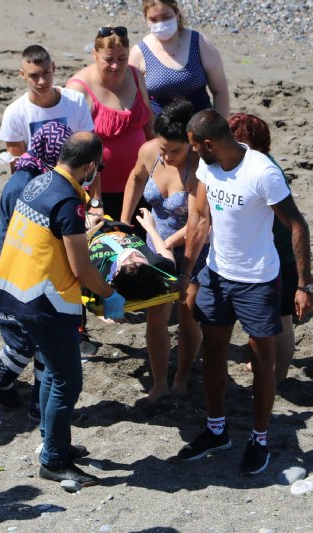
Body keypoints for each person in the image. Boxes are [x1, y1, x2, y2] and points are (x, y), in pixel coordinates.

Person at [176, 110, 313, 476]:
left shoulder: (262, 171)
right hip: (219, 276)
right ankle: (217, 429)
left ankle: (260, 437)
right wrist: (187, 273)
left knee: (261, 362)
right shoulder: (208, 167)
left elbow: (297, 225)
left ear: (208, 144)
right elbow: (201, 220)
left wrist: (304, 284)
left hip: (258, 281)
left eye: (193, 146)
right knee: (213, 350)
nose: (191, 153)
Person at [0, 132, 126, 486]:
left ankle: (54, 440)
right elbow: (80, 268)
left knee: (50, 371)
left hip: (16, 292)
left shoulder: (38, 182)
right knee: (67, 380)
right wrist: (109, 294)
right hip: (44, 302)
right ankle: (53, 459)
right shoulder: (68, 201)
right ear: (90, 166)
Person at [0, 115, 93, 418]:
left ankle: (35, 404)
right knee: (25, 342)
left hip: (24, 275)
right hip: (19, 277)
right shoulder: (27, 185)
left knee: (39, 343)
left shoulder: (32, 178)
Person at [120, 99, 207, 401]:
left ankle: (182, 376)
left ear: (190, 144)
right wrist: (123, 221)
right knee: (156, 315)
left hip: (192, 248)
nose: (168, 157)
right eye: (163, 149)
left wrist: (164, 244)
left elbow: (198, 221)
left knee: (187, 315)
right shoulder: (148, 152)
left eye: (176, 151)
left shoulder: (199, 167)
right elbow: (135, 178)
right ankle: (160, 383)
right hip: (157, 244)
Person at [228, 113, 298, 384]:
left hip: (278, 256)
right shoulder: (247, 165)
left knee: (281, 320)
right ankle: (264, 366)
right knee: (263, 319)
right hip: (261, 254)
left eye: (234, 138)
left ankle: (277, 379)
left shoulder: (266, 171)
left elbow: (291, 225)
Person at [66, 26, 153, 222]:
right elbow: (71, 149)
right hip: (99, 194)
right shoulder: (78, 89)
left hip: (141, 185)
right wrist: (94, 201)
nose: (115, 65)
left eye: (122, 58)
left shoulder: (136, 76)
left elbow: (150, 126)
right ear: (95, 55)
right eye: (108, 59)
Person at [0, 45, 95, 173]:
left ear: (53, 68)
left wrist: (94, 194)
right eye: (34, 76)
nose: (42, 81)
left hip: (73, 185)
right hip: (35, 186)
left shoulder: (76, 101)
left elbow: (90, 155)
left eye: (46, 73)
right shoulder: (14, 113)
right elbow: (18, 169)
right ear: (22, 74)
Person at [129, 0, 229, 117]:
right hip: (160, 130)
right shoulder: (139, 53)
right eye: (154, 19)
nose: (160, 24)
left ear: (176, 14)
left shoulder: (200, 43)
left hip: (201, 128)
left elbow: (220, 91)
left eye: (166, 17)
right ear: (146, 19)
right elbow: (131, 99)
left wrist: (219, 128)